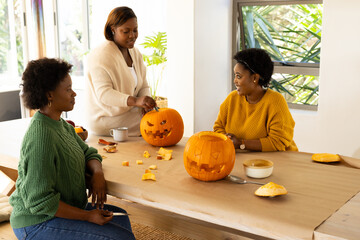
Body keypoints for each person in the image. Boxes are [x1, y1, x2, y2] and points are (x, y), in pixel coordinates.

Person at [9, 58, 135, 240]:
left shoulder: (60, 124)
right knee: (118, 238)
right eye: (68, 89)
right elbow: (39, 202)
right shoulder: (41, 136)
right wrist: (88, 216)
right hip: (36, 222)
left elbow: (88, 152)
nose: (74, 93)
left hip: (61, 209)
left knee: (121, 219)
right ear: (49, 95)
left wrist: (97, 173)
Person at [85, 6, 156, 136]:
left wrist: (146, 103)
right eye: (126, 31)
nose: (132, 35)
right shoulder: (100, 55)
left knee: (156, 116)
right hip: (106, 118)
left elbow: (143, 85)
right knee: (156, 122)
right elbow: (104, 93)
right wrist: (136, 101)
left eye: (135, 30)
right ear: (113, 30)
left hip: (129, 112)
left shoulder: (135, 52)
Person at [213, 48, 298, 151]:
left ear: (255, 78)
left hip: (277, 161)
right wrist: (227, 140)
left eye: (239, 76)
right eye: (235, 76)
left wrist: (240, 144)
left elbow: (278, 142)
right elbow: (218, 127)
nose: (235, 81)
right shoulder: (232, 98)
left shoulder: (275, 101)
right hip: (239, 158)